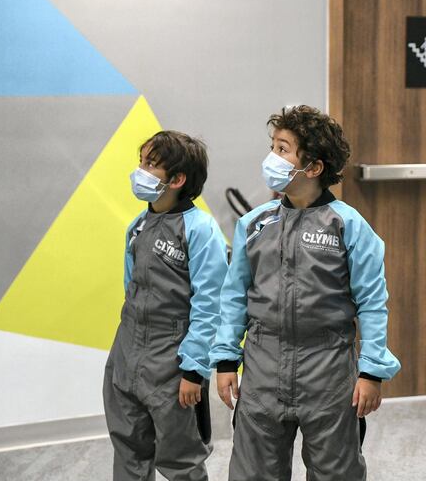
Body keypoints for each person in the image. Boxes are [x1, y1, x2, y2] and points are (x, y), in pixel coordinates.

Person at [209, 105, 401, 480]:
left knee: (335, 472)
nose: (271, 158)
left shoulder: (349, 226)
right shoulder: (254, 224)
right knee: (253, 472)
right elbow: (233, 297)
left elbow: (373, 303)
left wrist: (372, 371)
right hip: (263, 368)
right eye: (273, 146)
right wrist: (226, 359)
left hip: (328, 371)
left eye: (283, 149)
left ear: (312, 168)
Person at [104, 130, 228, 481]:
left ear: (177, 179)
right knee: (128, 448)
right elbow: (132, 288)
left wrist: (193, 370)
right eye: (141, 161)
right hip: (127, 352)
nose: (140, 171)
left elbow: (210, 306)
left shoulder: (200, 230)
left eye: (151, 165)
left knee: (180, 460)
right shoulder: (138, 225)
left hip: (173, 357)